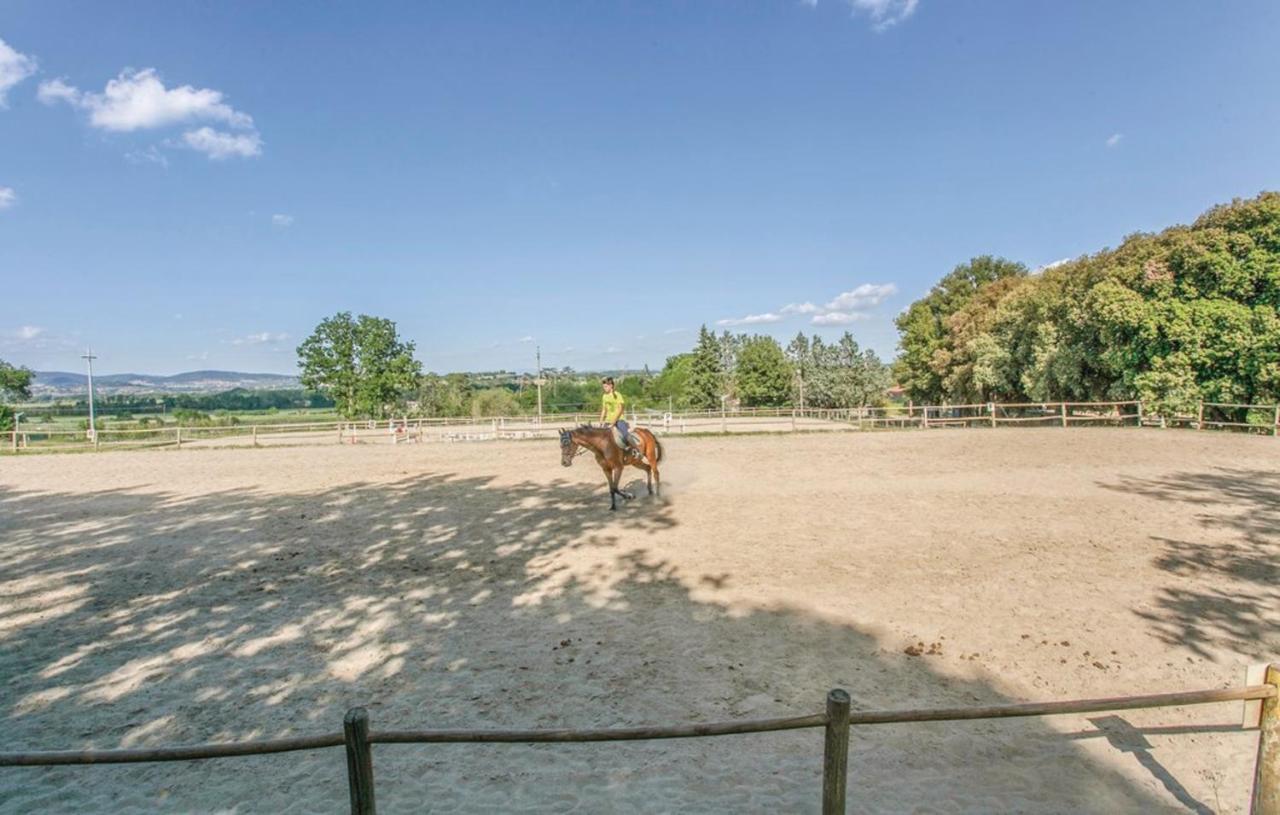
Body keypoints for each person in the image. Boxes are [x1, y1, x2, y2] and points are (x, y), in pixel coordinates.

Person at [599, 377, 637, 456]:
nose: (604, 388)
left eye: (605, 386)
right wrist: (601, 421)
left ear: (611, 386)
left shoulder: (618, 395)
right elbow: (604, 410)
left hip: (619, 419)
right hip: (608, 420)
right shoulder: (604, 396)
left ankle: (636, 450)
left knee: (626, 435)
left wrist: (613, 422)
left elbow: (620, 410)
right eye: (603, 387)